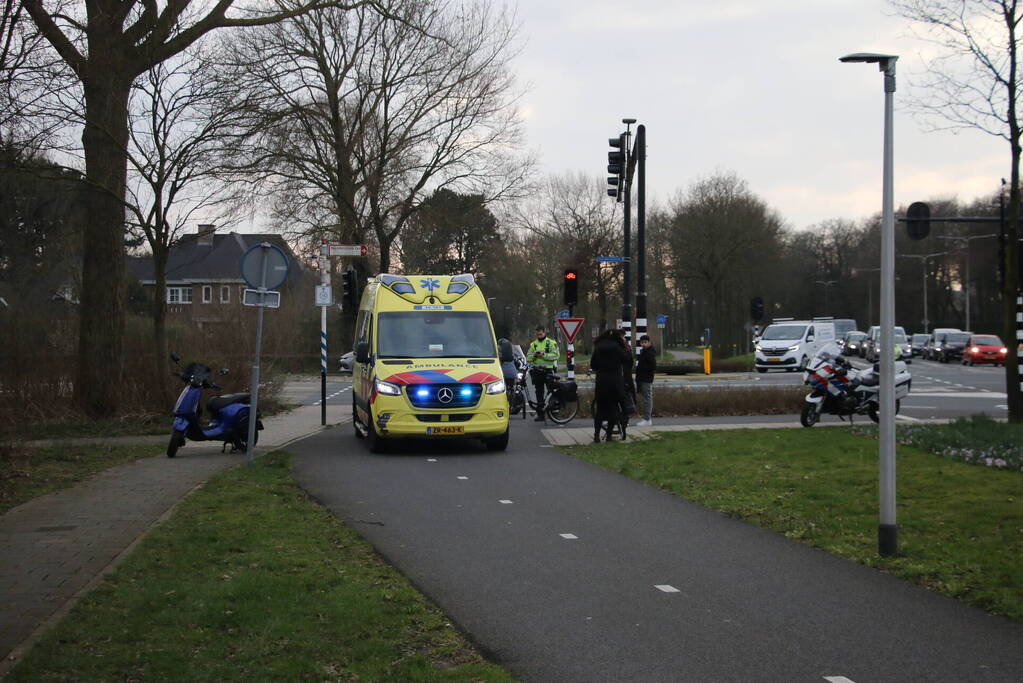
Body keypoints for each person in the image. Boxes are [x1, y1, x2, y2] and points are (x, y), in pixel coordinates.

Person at [589, 329, 631, 441]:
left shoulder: (598, 347)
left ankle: (596, 435)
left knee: (600, 409)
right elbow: (626, 359)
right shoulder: (617, 347)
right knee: (613, 408)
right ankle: (608, 435)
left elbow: (593, 365)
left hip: (601, 381)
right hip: (614, 381)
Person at [528, 325, 559, 421]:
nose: (539, 336)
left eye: (541, 334)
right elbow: (528, 358)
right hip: (537, 371)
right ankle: (541, 415)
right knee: (539, 392)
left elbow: (556, 355)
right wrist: (534, 355)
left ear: (544, 333)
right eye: (537, 335)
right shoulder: (533, 344)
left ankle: (554, 413)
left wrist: (544, 355)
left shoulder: (551, 343)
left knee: (552, 391)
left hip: (548, 371)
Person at [612, 329, 637, 419]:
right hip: (622, 374)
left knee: (625, 395)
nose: (623, 338)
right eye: (622, 336)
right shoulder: (623, 346)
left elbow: (629, 360)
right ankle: (622, 416)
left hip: (625, 374)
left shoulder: (624, 346)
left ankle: (625, 416)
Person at [635, 334, 656, 426]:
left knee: (647, 399)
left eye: (645, 342)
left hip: (646, 378)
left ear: (649, 342)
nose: (643, 344)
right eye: (642, 342)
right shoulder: (644, 351)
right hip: (642, 378)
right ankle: (646, 418)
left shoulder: (649, 353)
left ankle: (647, 419)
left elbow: (653, 366)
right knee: (646, 398)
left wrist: (642, 370)